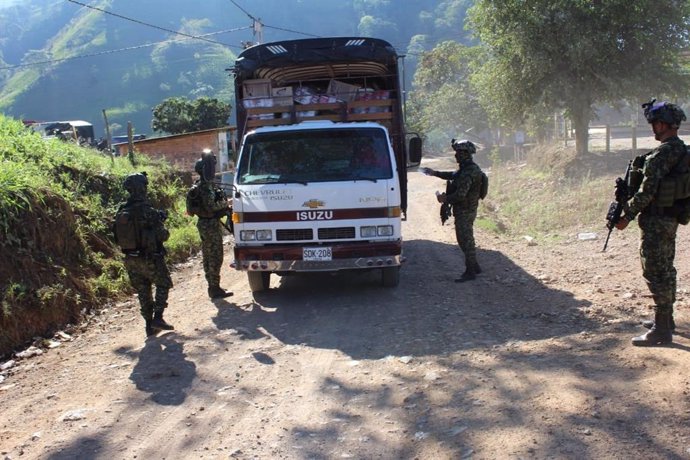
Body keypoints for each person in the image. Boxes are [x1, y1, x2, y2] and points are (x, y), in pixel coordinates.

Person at [615, 99, 688, 346]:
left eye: (655, 124)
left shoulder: (662, 154)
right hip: (670, 218)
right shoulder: (682, 149)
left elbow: (646, 192)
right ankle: (666, 321)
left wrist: (626, 216)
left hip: (657, 220)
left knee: (655, 271)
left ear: (665, 125)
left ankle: (661, 331)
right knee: (666, 269)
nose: (652, 128)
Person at [113, 172, 175, 337]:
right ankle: (158, 317)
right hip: (150, 258)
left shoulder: (121, 211)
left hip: (130, 259)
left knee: (143, 291)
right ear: (142, 188)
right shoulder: (147, 211)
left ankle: (149, 325)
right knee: (163, 284)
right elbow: (164, 236)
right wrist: (160, 221)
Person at [421, 139, 485, 282]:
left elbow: (460, 195)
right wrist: (434, 173)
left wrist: (445, 199)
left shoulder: (469, 172)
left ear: (465, 153)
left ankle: (470, 272)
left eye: (458, 152)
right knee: (464, 239)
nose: (456, 155)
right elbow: (453, 175)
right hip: (465, 209)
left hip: (465, 210)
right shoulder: (466, 169)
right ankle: (475, 266)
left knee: (465, 240)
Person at [191, 149, 234, 299]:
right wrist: (226, 203)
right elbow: (211, 206)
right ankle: (214, 288)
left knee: (208, 255)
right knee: (215, 256)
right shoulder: (206, 187)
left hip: (204, 223)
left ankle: (212, 286)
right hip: (210, 225)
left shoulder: (200, 185)